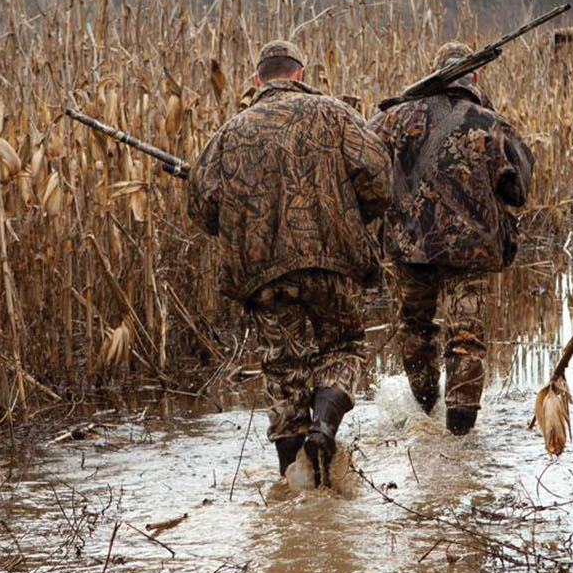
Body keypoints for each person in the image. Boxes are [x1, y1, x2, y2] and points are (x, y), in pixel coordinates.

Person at [190, 40, 392, 484]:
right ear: (300, 75)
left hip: (263, 274)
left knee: (284, 367)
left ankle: (293, 478)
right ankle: (324, 426)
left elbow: (203, 209)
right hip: (331, 263)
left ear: (259, 80)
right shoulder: (335, 114)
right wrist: (353, 217)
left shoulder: (229, 132)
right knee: (343, 346)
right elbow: (379, 177)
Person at [372, 41, 536, 435]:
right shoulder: (492, 124)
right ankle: (460, 436)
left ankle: (425, 411)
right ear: (475, 76)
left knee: (416, 328)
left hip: (411, 250)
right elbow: (519, 192)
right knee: (466, 335)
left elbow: (365, 166)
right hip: (471, 253)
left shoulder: (393, 120)